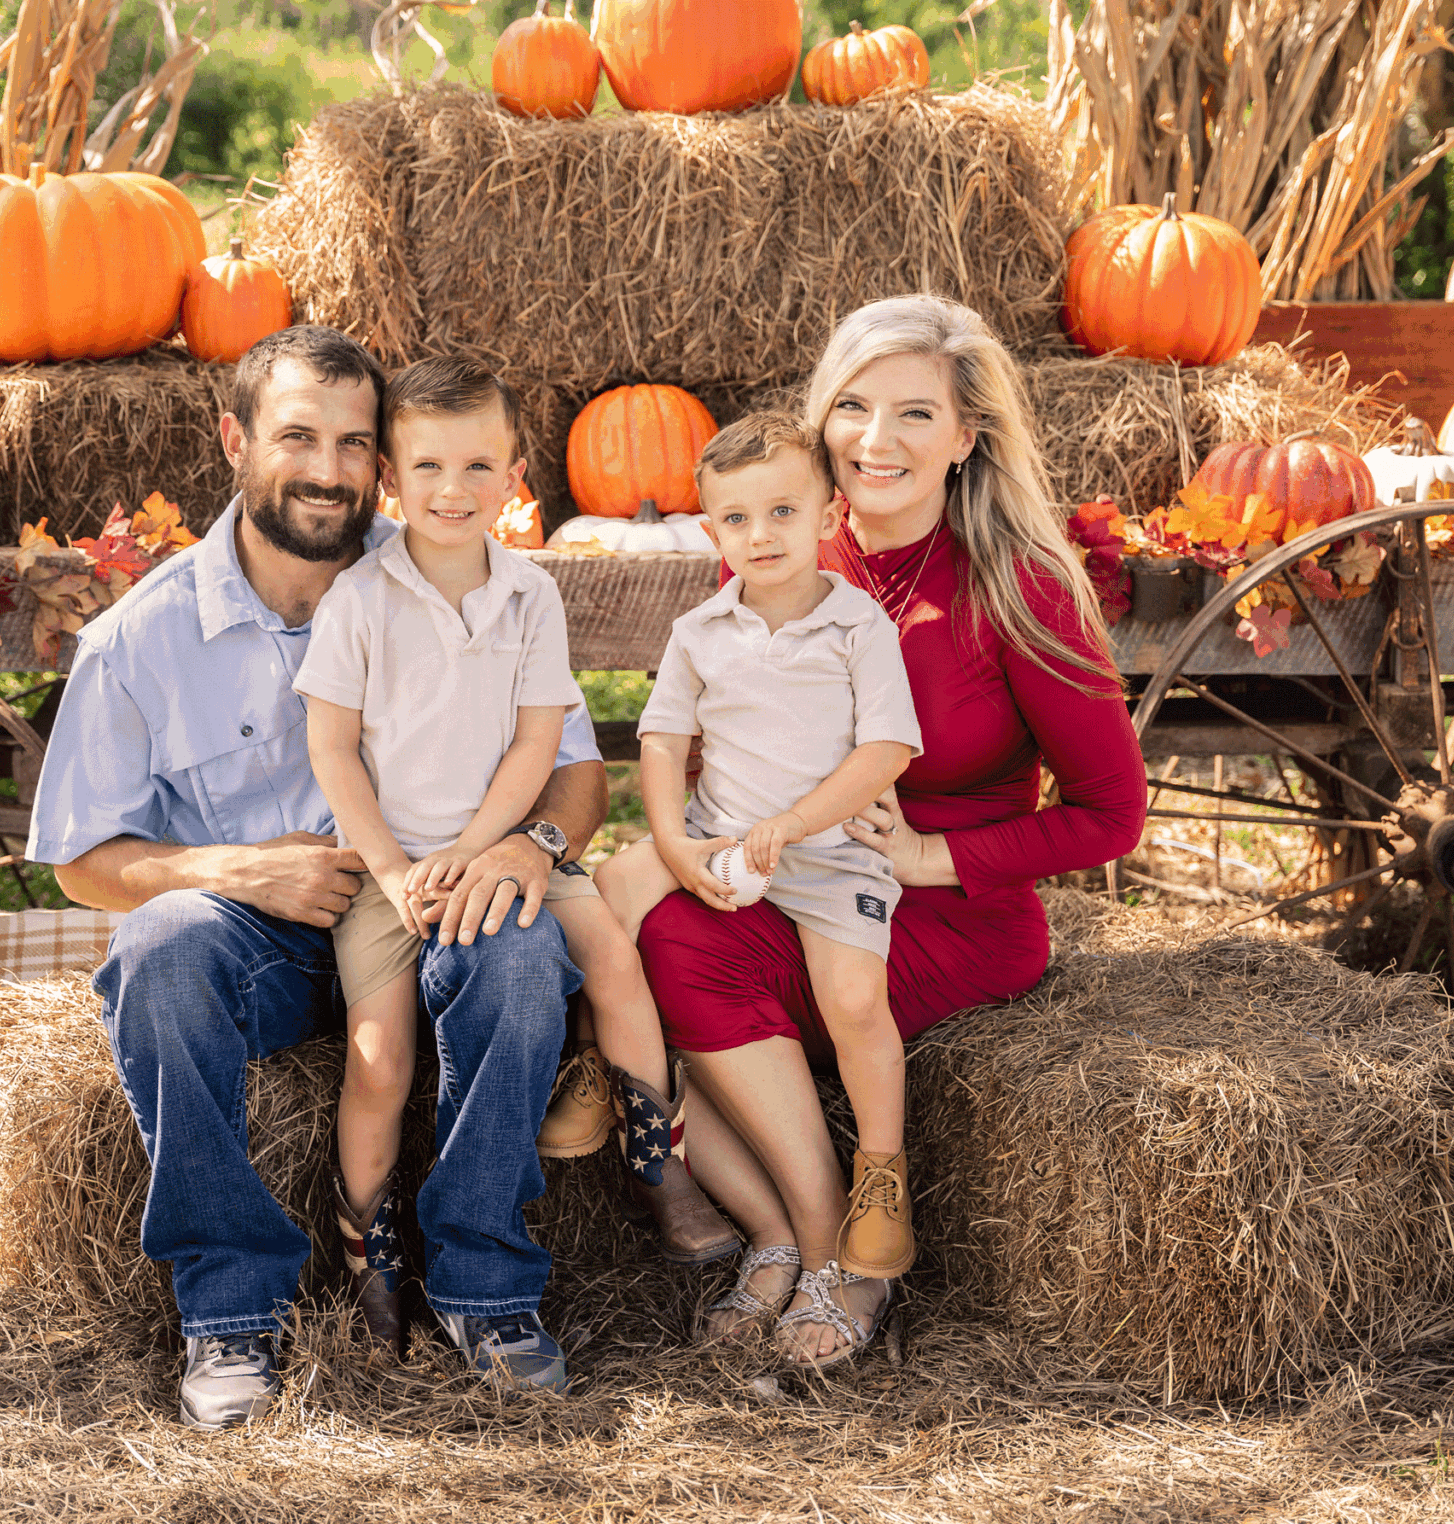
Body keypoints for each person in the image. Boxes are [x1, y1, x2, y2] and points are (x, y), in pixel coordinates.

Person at [26, 326, 609, 1428]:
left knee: (524, 948)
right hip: (267, 939)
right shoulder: (139, 641)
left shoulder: (451, 568)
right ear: (235, 440)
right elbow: (81, 864)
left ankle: (485, 1285)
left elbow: (575, 771)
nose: (329, 471)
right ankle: (230, 1307)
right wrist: (237, 870)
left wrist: (525, 845)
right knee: (159, 948)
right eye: (298, 437)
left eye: (352, 443)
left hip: (433, 900)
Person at [633, 295, 1148, 1368]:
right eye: (853, 408)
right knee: (646, 940)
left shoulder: (1021, 589)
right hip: (790, 871)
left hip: (944, 911)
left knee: (700, 974)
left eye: (915, 413)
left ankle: (852, 1260)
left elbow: (1113, 814)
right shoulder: (780, 546)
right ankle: (791, 1235)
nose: (877, 439)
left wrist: (927, 856)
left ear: (965, 437)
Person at [295, 356, 738, 1353]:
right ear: (389, 479)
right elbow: (332, 750)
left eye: (476, 467)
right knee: (378, 1060)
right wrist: (397, 870)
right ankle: (371, 1251)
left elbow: (540, 745)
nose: (452, 490)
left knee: (613, 960)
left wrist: (476, 850)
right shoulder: (358, 601)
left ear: (515, 477)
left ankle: (655, 1159)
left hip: (497, 852)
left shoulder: (531, 594)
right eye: (427, 467)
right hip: (388, 872)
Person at [592, 412, 923, 1306]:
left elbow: (886, 751)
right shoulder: (701, 629)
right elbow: (662, 741)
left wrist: (799, 820)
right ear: (713, 534)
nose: (761, 534)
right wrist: (672, 840)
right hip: (721, 837)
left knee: (854, 1000)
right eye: (737, 519)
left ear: (830, 517)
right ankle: (601, 1070)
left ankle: (880, 1178)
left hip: (831, 855)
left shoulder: (858, 626)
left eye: (782, 511)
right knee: (603, 897)